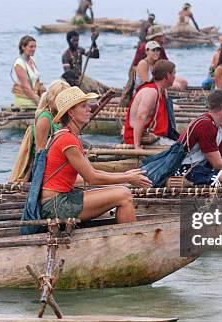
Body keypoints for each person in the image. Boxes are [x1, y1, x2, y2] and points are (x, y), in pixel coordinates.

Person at [40, 86, 151, 223]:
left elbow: (92, 172)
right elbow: (92, 178)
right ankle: (131, 239)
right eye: (83, 106)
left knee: (122, 191)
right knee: (124, 194)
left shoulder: (65, 135)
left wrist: (126, 175)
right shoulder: (67, 139)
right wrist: (127, 178)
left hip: (58, 199)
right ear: (71, 113)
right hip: (55, 206)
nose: (89, 109)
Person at [9, 80, 71, 183]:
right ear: (52, 99)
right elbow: (40, 152)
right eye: (60, 99)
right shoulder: (45, 118)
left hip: (59, 166)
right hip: (47, 172)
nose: (63, 103)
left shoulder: (60, 117)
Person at [124, 60, 179, 149]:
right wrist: (137, 147)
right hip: (142, 140)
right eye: (173, 74)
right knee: (183, 151)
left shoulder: (163, 91)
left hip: (156, 138)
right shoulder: (151, 92)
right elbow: (141, 117)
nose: (174, 77)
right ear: (167, 76)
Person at [12, 35, 44, 109]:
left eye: (35, 47)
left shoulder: (32, 60)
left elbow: (37, 82)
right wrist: (39, 102)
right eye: (31, 47)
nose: (34, 49)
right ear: (23, 47)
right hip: (24, 100)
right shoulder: (19, 63)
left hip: (34, 97)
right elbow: (26, 88)